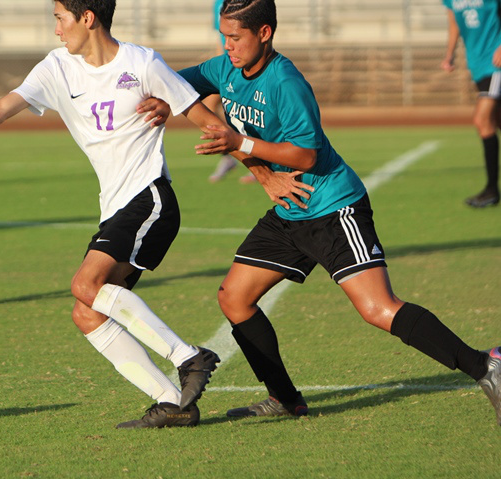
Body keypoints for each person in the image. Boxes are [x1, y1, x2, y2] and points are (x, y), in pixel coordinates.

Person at [0, 0, 298, 429]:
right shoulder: (56, 67)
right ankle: (172, 402)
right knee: (86, 312)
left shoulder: (142, 63)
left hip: (150, 200)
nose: (57, 30)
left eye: (60, 19)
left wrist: (263, 175)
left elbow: (209, 123)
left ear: (87, 18)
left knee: (84, 284)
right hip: (115, 210)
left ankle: (189, 357)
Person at [142, 0, 501, 425]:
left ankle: (486, 365)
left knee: (378, 309)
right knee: (234, 298)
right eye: (224, 36)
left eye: (236, 37)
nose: (228, 45)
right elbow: (176, 85)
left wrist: (240, 144)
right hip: (291, 209)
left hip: (334, 206)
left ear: (264, 33)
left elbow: (306, 157)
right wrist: (164, 101)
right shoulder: (223, 68)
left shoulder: (286, 82)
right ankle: (284, 398)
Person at [441, 0, 501, 208]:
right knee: (495, 121)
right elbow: (454, 23)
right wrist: (449, 54)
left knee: (482, 120)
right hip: (477, 65)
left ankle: (491, 190)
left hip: (495, 65)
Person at [206, 0, 257, 185]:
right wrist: (219, 64)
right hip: (227, 63)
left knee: (251, 111)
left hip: (244, 62)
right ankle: (229, 156)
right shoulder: (218, 3)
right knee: (208, 107)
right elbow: (221, 37)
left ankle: (259, 162)